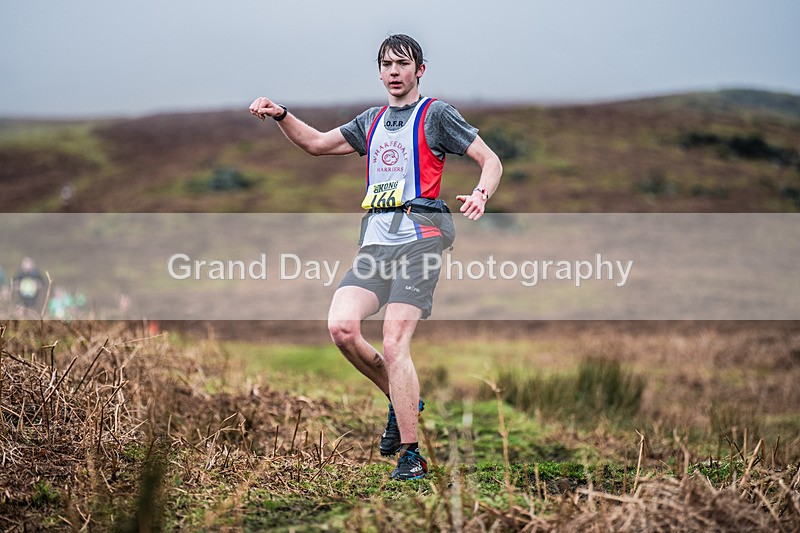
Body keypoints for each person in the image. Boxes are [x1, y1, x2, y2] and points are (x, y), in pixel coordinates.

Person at [249, 34, 502, 480]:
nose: (392, 71)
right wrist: (282, 115)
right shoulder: (372, 119)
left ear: (419, 70)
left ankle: (411, 455)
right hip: (376, 243)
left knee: (392, 341)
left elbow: (491, 160)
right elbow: (317, 144)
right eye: (385, 64)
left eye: (402, 64)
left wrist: (481, 193)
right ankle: (401, 399)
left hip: (421, 238)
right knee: (342, 328)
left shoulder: (436, 115)